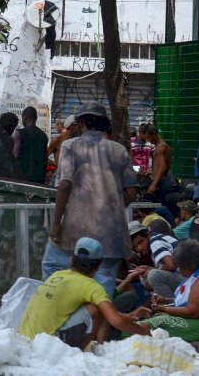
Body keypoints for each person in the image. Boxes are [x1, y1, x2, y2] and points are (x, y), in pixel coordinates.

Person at [45, 102, 137, 296]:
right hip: (111, 235)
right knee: (101, 289)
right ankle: (96, 323)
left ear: (81, 123)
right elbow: (130, 194)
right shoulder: (120, 151)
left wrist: (56, 225)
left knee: (53, 268)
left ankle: (62, 316)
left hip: (76, 230)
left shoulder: (70, 145)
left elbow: (64, 184)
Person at [20, 237, 151, 349]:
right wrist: (142, 331)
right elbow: (115, 319)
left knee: (97, 306)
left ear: (72, 260)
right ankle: (88, 350)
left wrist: (129, 316)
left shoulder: (57, 275)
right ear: (99, 265)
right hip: (49, 345)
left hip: (27, 340)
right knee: (96, 308)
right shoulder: (91, 287)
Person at [138, 240, 199, 342]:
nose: (179, 270)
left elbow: (192, 312)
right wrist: (164, 300)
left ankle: (125, 330)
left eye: (181, 267)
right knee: (159, 322)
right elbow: (192, 301)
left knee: (162, 322)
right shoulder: (197, 274)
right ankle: (127, 328)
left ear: (190, 266)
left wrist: (163, 309)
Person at [126, 221, 182, 298]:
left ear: (147, 235)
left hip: (188, 278)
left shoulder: (155, 241)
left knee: (153, 275)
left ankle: (170, 305)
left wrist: (151, 271)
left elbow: (170, 265)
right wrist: (150, 269)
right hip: (185, 278)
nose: (140, 248)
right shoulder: (155, 243)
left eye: (140, 242)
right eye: (135, 247)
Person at [139, 124, 180, 221]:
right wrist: (151, 173)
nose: (148, 140)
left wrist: (154, 183)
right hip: (162, 182)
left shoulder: (160, 147)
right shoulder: (161, 146)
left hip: (163, 184)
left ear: (154, 134)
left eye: (149, 137)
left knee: (164, 211)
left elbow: (163, 167)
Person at [13, 106, 48, 184]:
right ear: (36, 118)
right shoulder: (44, 136)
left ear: (25, 118)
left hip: (22, 179)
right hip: (39, 180)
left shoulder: (19, 133)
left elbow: (15, 156)